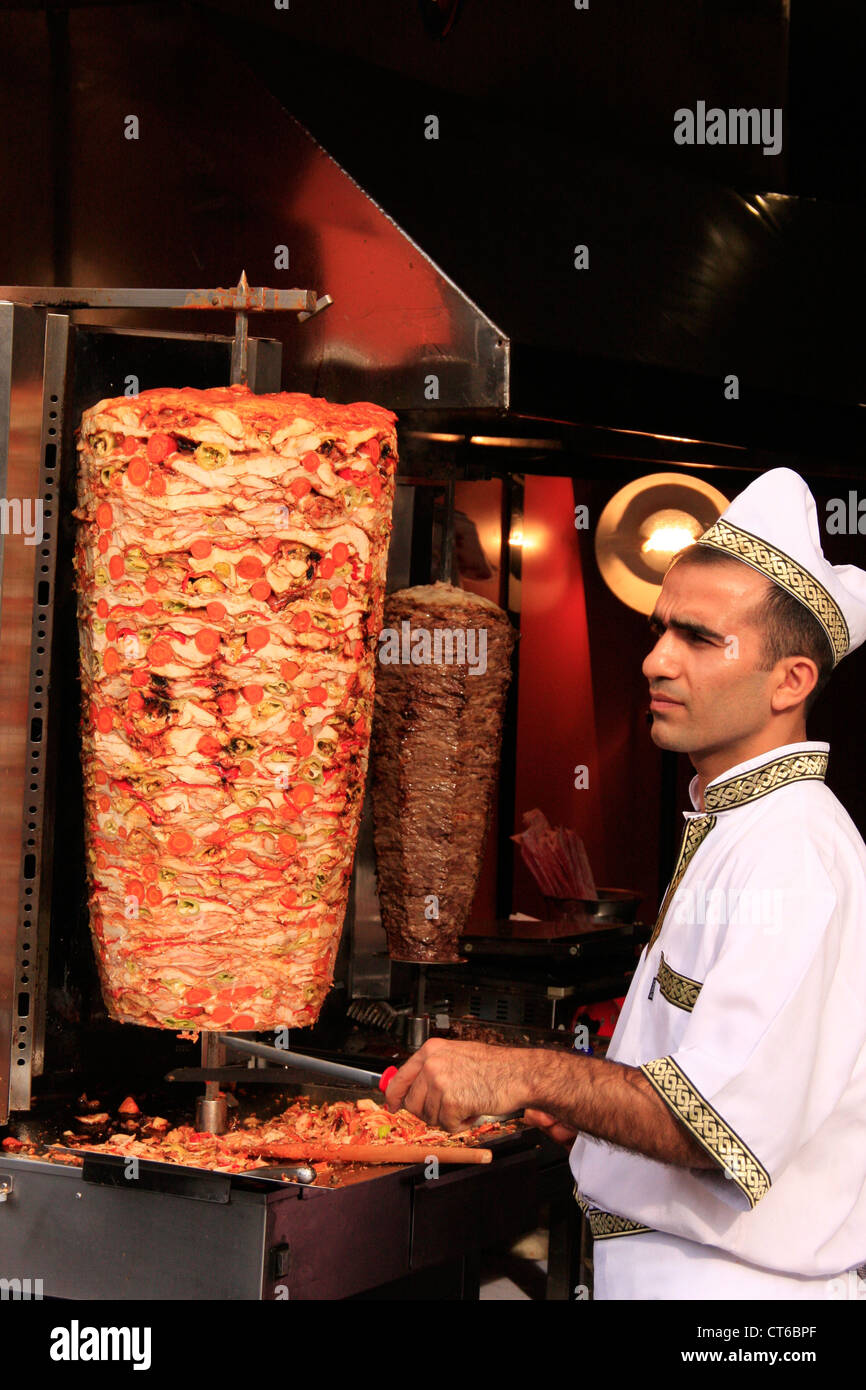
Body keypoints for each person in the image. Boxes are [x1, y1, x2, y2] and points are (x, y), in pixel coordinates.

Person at [384, 467, 866, 1299]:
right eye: (658, 630)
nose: (654, 661)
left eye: (698, 639)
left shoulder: (792, 847)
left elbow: (718, 1129)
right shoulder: (733, 824)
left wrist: (528, 1072)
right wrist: (595, 1117)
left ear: (792, 681)